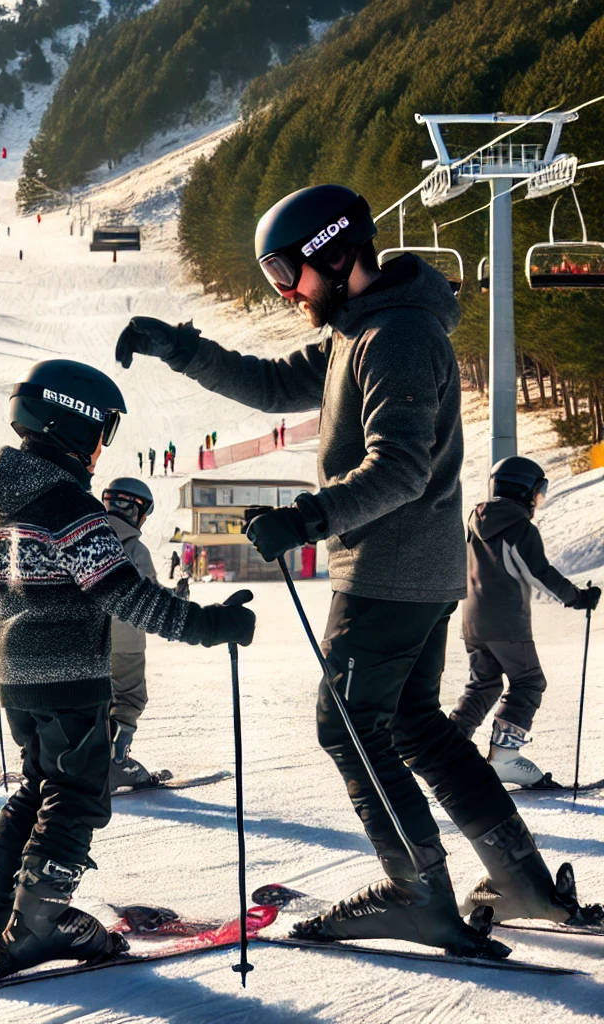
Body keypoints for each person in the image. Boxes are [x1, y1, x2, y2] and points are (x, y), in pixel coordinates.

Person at [115, 183, 602, 951]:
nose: (281, 291)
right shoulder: (361, 329)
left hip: (388, 571)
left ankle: (417, 892)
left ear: (337, 253)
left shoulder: (396, 338)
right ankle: (520, 881)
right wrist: (180, 348)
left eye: (286, 271)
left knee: (345, 728)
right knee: (415, 726)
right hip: (411, 571)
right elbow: (273, 384)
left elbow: (401, 467)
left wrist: (307, 517)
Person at [0, 359, 255, 983]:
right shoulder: (65, 500)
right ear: (72, 423)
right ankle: (39, 926)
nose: (102, 447)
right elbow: (124, 592)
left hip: (21, 675)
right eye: (101, 431)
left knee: (39, 788)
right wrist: (211, 625)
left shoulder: (14, 496)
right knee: (77, 796)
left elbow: (1, 589)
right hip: (67, 675)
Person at [450, 456, 600, 788]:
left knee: (483, 685)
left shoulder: (477, 521)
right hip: (506, 623)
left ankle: (446, 751)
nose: (537, 500)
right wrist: (577, 597)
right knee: (529, 681)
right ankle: (504, 758)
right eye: (536, 492)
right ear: (521, 489)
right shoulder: (518, 527)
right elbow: (538, 573)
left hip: (473, 621)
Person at [102, 477, 160, 790]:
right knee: (128, 697)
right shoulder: (136, 549)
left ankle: (92, 761)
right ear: (135, 511)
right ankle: (117, 761)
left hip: (92, 642)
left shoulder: (90, 541)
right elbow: (150, 598)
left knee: (98, 699)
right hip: (127, 642)